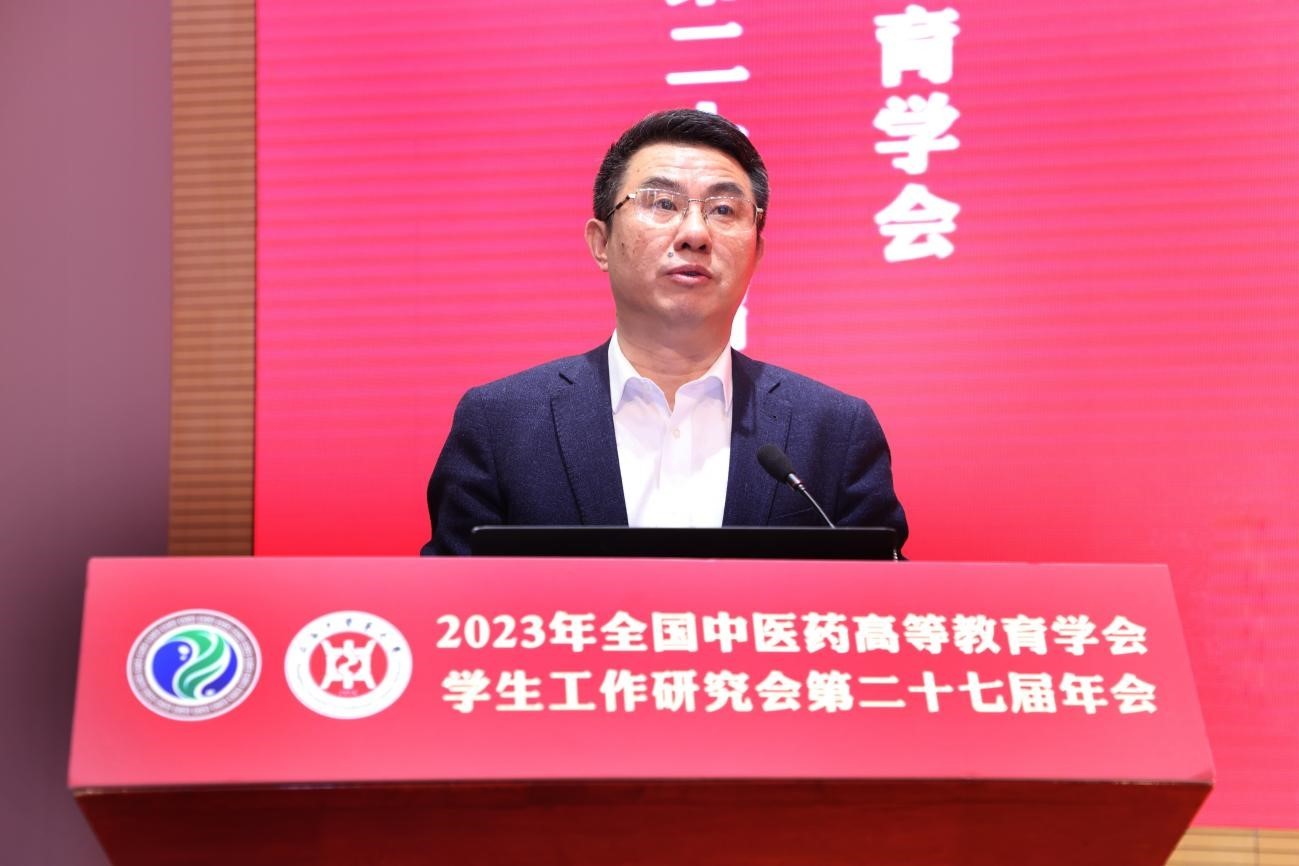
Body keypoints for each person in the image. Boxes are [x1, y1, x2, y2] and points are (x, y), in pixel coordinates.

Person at [421, 109, 906, 555]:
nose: (695, 234)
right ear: (601, 242)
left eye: (723, 210)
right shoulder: (502, 424)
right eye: (662, 203)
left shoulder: (834, 431)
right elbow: (451, 608)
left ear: (757, 252)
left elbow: (886, 602)